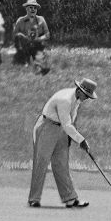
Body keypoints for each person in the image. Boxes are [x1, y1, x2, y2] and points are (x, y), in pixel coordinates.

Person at [28, 78, 97, 208]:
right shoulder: (65, 100)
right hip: (46, 127)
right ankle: (34, 199)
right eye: (86, 95)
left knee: (61, 164)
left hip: (61, 130)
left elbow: (70, 121)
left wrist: (70, 138)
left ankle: (70, 198)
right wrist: (81, 140)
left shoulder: (77, 99)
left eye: (89, 96)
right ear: (80, 90)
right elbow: (66, 124)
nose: (87, 98)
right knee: (41, 163)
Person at [13, 0, 51, 75]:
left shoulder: (41, 19)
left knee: (41, 58)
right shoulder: (20, 20)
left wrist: (39, 38)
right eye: (30, 7)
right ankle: (23, 59)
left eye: (35, 8)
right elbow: (14, 35)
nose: (33, 9)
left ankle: (39, 67)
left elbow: (47, 34)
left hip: (37, 44)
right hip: (25, 44)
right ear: (26, 9)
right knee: (19, 37)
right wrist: (24, 37)